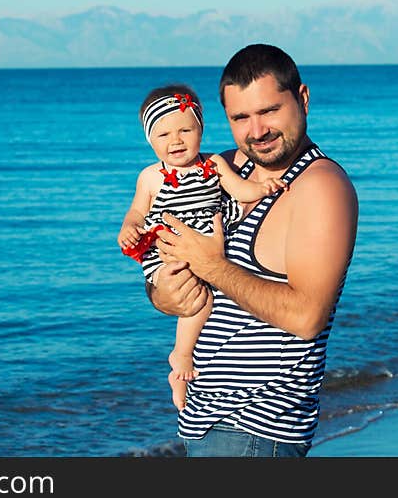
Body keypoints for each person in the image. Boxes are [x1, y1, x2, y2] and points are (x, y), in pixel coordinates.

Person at [150, 43, 358, 457]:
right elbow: (170, 267)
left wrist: (210, 265)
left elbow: (306, 318)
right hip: (203, 421)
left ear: (302, 98)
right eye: (240, 117)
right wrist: (164, 294)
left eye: (269, 111)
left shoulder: (320, 188)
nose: (256, 130)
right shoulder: (222, 169)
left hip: (257, 433)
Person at [118, 84, 287, 411]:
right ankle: (181, 355)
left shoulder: (214, 165)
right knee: (200, 299)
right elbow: (137, 212)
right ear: (150, 141)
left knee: (208, 297)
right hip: (168, 251)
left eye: (185, 130)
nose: (176, 140)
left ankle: (182, 379)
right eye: (163, 134)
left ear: (201, 130)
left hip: (207, 243)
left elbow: (241, 190)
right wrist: (128, 228)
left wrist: (264, 187)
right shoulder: (151, 177)